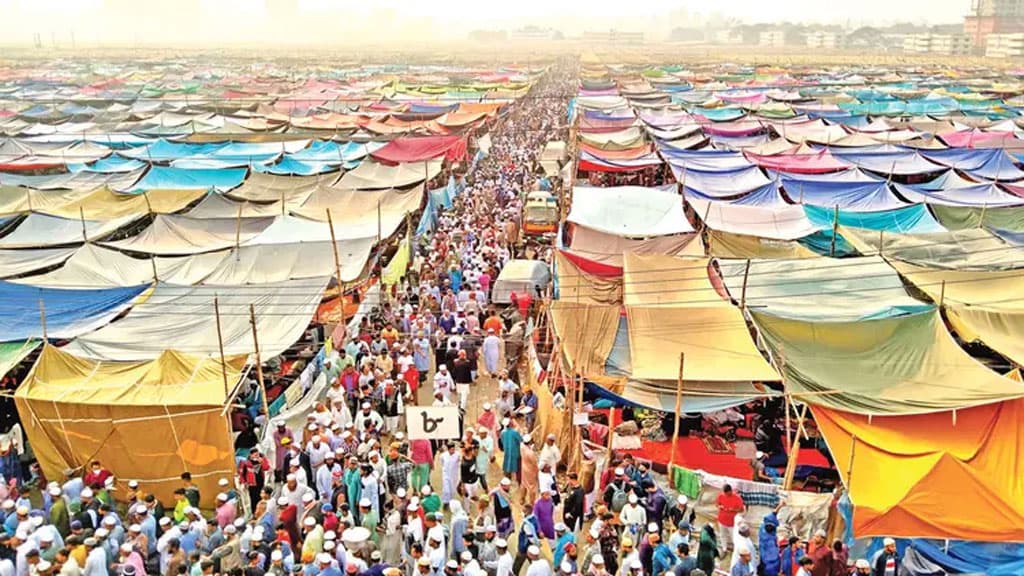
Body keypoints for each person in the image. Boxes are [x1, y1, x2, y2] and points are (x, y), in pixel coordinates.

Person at [716, 485, 744, 557]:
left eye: (727, 493)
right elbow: (717, 504)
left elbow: (742, 509)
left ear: (731, 491)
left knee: (734, 537)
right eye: (725, 494)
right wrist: (720, 507)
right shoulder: (721, 496)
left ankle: (736, 552)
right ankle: (724, 549)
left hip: (731, 523)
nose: (726, 495)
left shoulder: (737, 498)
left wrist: (733, 510)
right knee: (722, 535)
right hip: (721, 520)